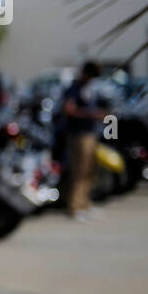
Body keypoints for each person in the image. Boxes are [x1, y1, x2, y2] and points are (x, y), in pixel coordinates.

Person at [61, 61, 105, 222]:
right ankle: (74, 207)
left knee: (90, 170)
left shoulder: (88, 88)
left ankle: (85, 203)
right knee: (79, 170)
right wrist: (92, 114)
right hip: (78, 135)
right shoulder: (74, 88)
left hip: (89, 133)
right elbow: (69, 109)